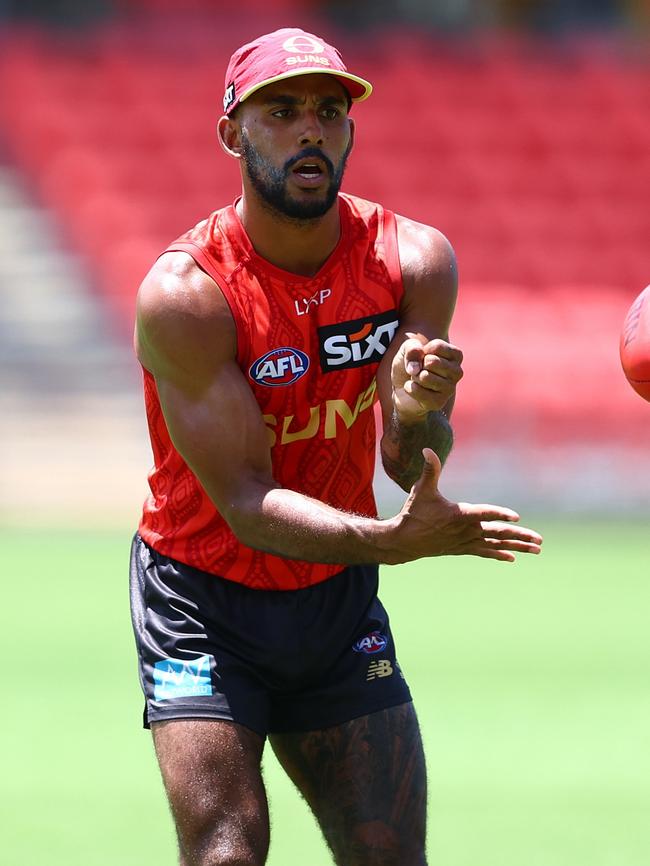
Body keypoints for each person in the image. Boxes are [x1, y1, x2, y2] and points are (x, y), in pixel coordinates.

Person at [130, 27, 543, 866]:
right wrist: (391, 542)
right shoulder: (188, 295)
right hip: (200, 599)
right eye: (280, 111)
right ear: (232, 134)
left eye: (329, 110)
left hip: (333, 597)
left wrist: (419, 407)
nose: (310, 128)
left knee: (388, 854)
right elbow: (244, 505)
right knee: (225, 851)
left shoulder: (413, 262)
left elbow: (404, 458)